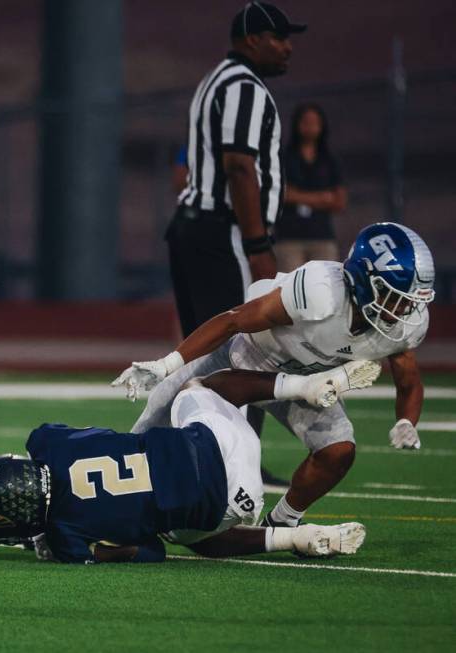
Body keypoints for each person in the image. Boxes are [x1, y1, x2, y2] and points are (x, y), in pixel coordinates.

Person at [112, 222, 434, 529]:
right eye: (396, 296)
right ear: (364, 283)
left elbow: (409, 383)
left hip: (307, 386)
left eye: (410, 299)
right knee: (159, 411)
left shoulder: (402, 327)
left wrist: (406, 421)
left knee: (338, 450)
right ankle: (112, 492)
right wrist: (168, 364)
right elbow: (233, 320)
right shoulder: (320, 291)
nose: (406, 309)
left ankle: (283, 521)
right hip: (246, 359)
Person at [0, 364, 372, 563]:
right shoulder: (47, 443)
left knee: (183, 535)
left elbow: (151, 552)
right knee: (194, 387)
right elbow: (61, 434)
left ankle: (291, 538)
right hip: (220, 441)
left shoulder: (64, 536)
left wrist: (62, 547)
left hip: (234, 505)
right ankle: (304, 385)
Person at [166, 2, 306, 488]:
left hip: (194, 229)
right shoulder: (244, 87)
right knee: (246, 346)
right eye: (279, 37)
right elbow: (240, 166)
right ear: (252, 40)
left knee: (209, 354)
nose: (288, 46)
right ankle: (233, 461)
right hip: (221, 232)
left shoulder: (216, 80)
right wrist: (257, 243)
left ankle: (203, 457)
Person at [274, 103, 347, 271]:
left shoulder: (329, 160)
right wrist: (321, 198)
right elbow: (281, 194)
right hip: (289, 238)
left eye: (314, 123)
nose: (310, 127)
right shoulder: (284, 158)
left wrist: (297, 195)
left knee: (324, 289)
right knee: (289, 289)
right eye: (305, 122)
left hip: (321, 237)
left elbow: (339, 202)